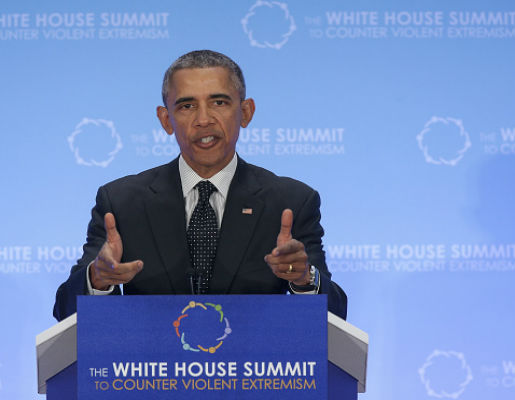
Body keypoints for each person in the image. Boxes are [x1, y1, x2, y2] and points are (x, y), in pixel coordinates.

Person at [53, 50, 347, 321]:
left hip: (252, 375)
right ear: (166, 119)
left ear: (245, 112)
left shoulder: (291, 202)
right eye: (187, 106)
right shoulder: (121, 202)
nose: (203, 119)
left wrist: (304, 279)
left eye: (219, 102)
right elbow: (65, 310)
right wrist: (98, 278)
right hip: (152, 375)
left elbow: (334, 314)